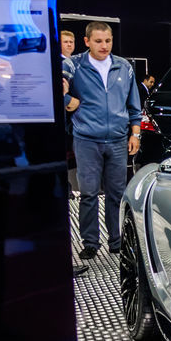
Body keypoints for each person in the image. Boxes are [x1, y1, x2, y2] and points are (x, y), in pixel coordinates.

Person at [63, 22, 141, 260]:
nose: (104, 46)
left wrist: (135, 133)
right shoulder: (73, 64)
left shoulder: (124, 66)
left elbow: (134, 104)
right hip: (86, 140)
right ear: (86, 41)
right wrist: (67, 98)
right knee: (88, 193)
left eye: (107, 40)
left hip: (118, 140)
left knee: (117, 193)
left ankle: (116, 241)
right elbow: (50, 85)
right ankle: (90, 242)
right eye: (98, 41)